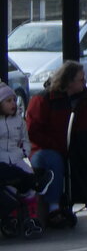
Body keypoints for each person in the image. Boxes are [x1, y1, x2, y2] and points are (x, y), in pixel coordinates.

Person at [26, 61, 87, 227]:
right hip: (47, 149)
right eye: (81, 79)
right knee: (54, 160)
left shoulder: (86, 100)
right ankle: (54, 209)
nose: (84, 82)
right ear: (69, 82)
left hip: (80, 147)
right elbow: (32, 131)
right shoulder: (44, 99)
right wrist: (58, 145)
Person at [0, 82, 49, 238]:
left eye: (14, 100)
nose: (13, 104)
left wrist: (24, 152)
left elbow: (25, 140)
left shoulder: (19, 122)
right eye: (8, 101)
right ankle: (12, 217)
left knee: (27, 182)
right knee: (12, 185)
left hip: (16, 157)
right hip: (2, 160)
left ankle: (32, 216)